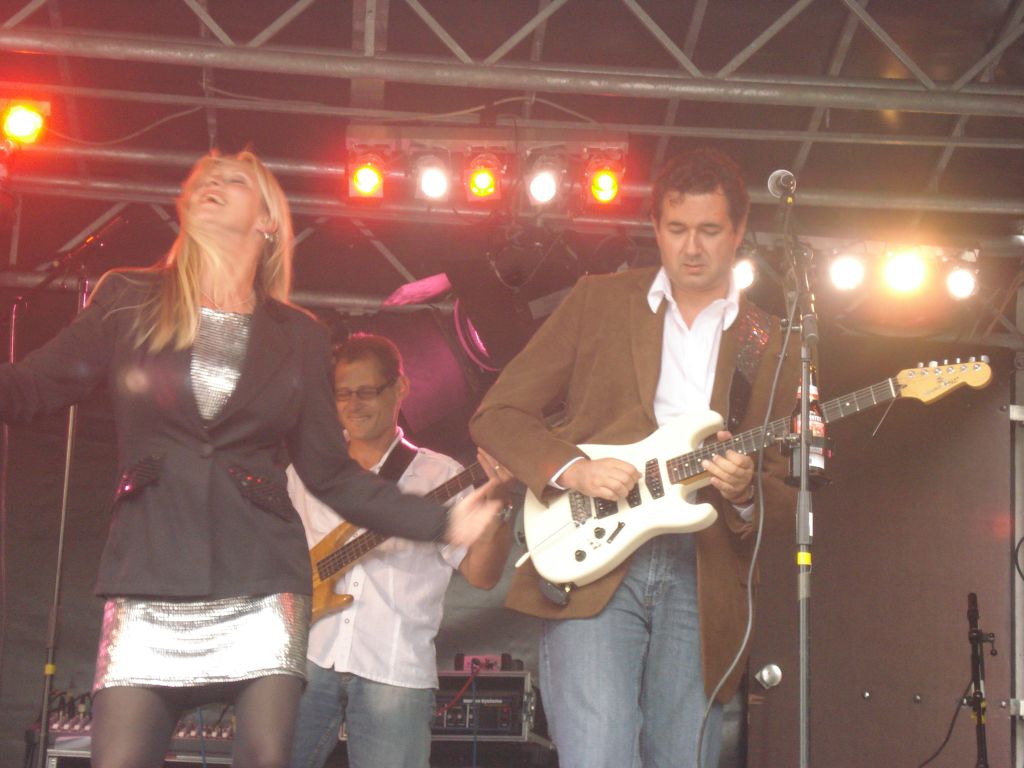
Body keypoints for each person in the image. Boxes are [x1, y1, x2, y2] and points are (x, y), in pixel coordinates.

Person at [0, 151, 501, 768]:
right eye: (201, 180)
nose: (210, 184)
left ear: (267, 220)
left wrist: (444, 521)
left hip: (262, 585)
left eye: (233, 180)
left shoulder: (298, 335)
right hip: (148, 576)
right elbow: (32, 388)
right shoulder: (129, 299)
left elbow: (331, 474)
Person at [469, 147, 798, 768]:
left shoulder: (771, 340)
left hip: (702, 569)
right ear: (655, 228)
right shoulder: (599, 300)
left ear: (739, 232)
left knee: (683, 757)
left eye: (709, 230)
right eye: (677, 229)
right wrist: (575, 469)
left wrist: (744, 491)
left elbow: (783, 490)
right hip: (594, 553)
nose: (691, 248)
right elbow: (498, 414)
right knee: (597, 756)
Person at [286, 333, 513, 768]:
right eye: (342, 394)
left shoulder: (440, 475)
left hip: (393, 668)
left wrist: (498, 505)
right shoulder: (304, 473)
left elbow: (483, 576)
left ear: (400, 387)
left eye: (367, 392)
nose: (353, 405)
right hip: (307, 657)